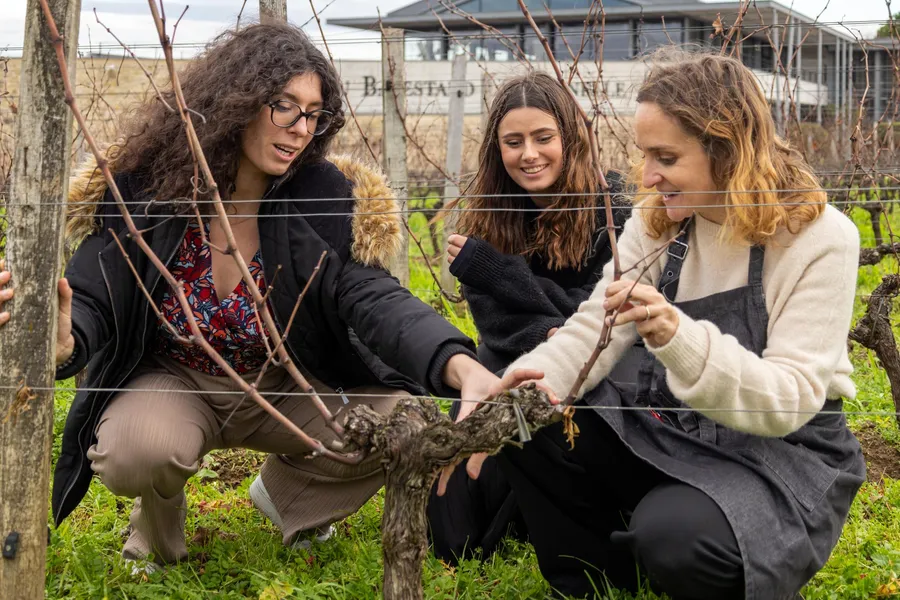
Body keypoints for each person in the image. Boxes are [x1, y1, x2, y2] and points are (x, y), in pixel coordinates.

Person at [0, 23, 512, 570]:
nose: (300, 128)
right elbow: (95, 293)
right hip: (175, 380)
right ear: (237, 101)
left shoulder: (320, 195)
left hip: (286, 384)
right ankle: (156, 535)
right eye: (284, 106)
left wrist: (460, 365)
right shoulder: (146, 190)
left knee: (404, 424)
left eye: (313, 114)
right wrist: (67, 338)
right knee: (138, 451)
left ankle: (290, 497)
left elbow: (373, 294)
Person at [448, 50, 866, 600]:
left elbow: (790, 399)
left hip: (778, 453)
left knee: (673, 538)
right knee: (534, 414)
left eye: (666, 157)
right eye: (645, 154)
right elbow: (591, 330)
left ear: (727, 150)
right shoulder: (658, 219)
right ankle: (591, 581)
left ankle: (697, 544)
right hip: (674, 427)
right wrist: (517, 395)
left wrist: (678, 336)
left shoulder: (819, 237)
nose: (646, 176)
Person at [426, 71, 631, 564]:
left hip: (593, 382)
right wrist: (553, 328)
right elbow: (498, 326)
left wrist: (498, 272)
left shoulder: (613, 210)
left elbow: (600, 314)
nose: (529, 154)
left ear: (570, 138)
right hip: (504, 369)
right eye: (513, 142)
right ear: (497, 148)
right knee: (451, 535)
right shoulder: (486, 214)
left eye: (543, 138)